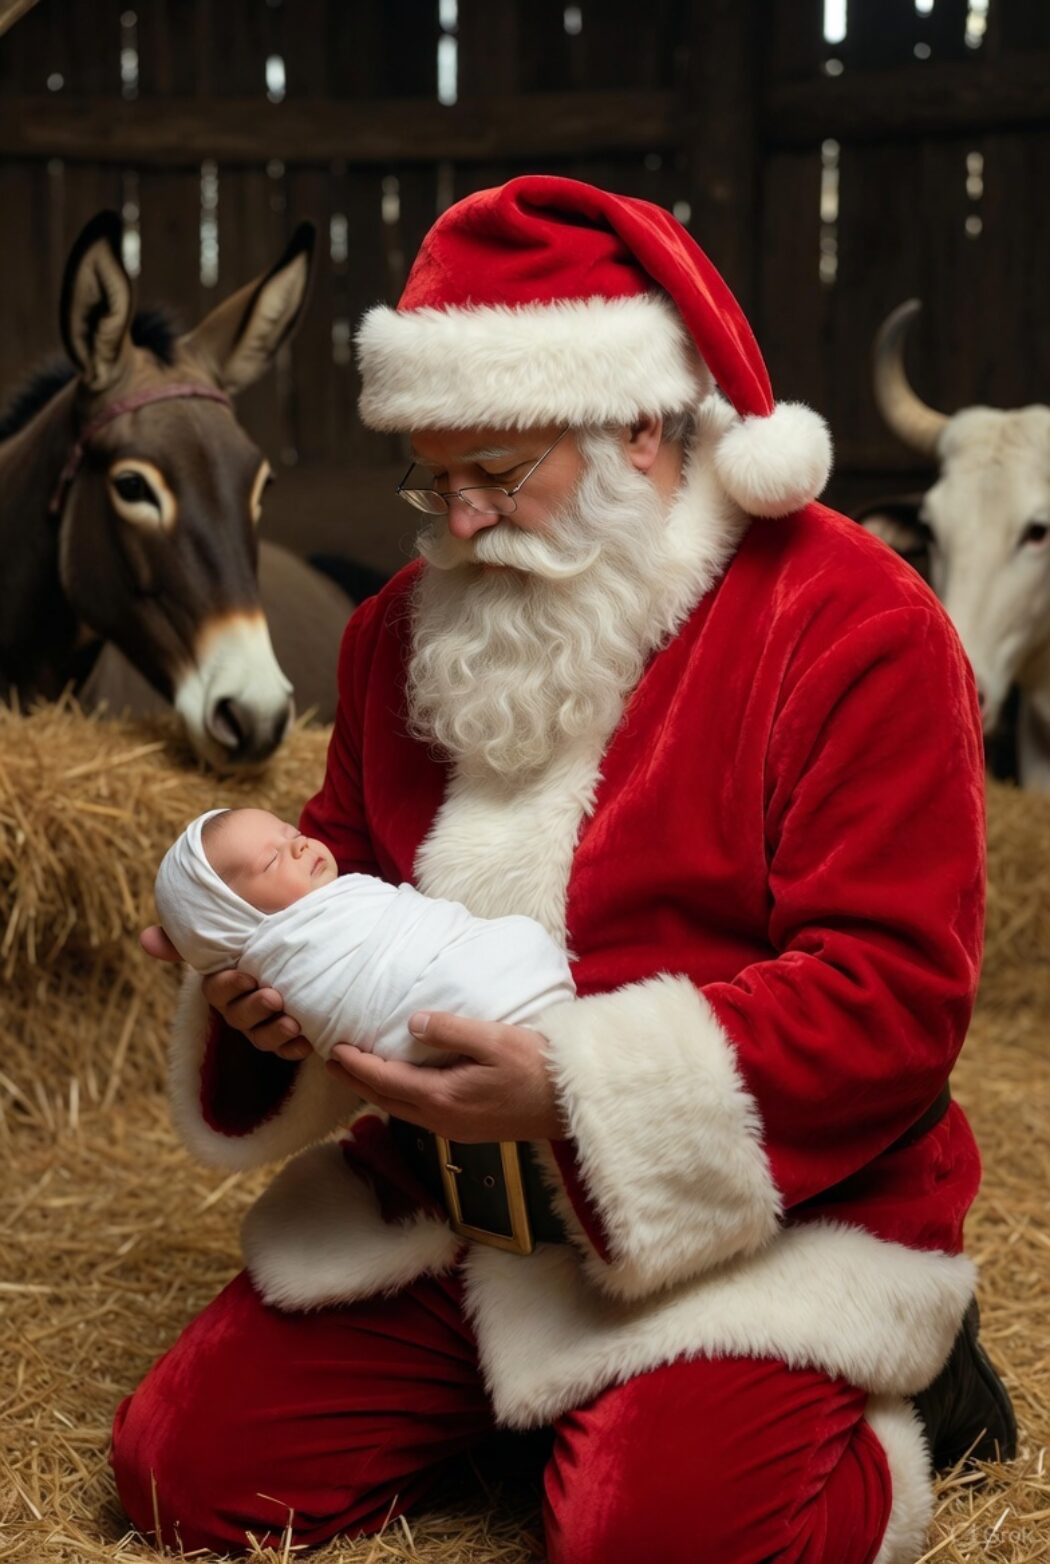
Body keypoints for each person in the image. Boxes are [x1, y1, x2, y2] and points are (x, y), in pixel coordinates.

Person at [112, 175, 1015, 1563]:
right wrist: (261, 993)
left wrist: (573, 1091)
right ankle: (547, 1412)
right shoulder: (395, 634)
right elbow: (331, 872)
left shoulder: (853, 625)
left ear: (641, 427)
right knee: (184, 1473)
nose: (457, 522)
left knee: (640, 1543)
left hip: (749, 1228)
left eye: (499, 472)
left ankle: (878, 1422)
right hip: (458, 1208)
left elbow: (890, 995)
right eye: (432, 474)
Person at [153, 805, 574, 1064]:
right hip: (437, 1019)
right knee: (515, 947)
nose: (301, 846)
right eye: (270, 862)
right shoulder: (283, 957)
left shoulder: (338, 896)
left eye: (292, 834)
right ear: (232, 918)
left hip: (564, 1032)